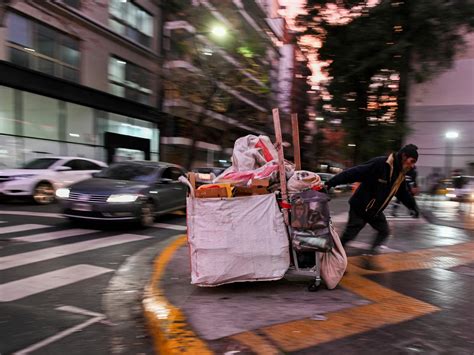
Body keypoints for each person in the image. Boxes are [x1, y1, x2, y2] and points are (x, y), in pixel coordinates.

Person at [325, 144, 420, 270]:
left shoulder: (399, 174)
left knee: (384, 231)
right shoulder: (381, 164)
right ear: (404, 156)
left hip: (374, 210)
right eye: (412, 161)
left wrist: (413, 207)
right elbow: (353, 173)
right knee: (350, 234)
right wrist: (330, 183)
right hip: (360, 206)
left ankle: (368, 257)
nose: (412, 165)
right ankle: (333, 261)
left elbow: (403, 193)